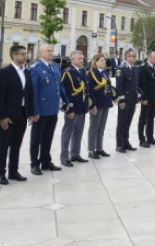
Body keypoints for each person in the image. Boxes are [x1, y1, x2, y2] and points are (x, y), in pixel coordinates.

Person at [30, 44, 70, 175]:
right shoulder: (35, 69)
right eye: (48, 51)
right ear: (41, 52)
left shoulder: (55, 66)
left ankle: (46, 161)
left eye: (52, 50)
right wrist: (34, 111)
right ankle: (34, 163)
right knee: (36, 138)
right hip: (41, 110)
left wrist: (65, 102)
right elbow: (33, 93)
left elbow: (60, 87)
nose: (50, 53)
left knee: (48, 137)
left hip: (53, 109)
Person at [0, 45, 35, 184]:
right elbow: (1, 96)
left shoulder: (26, 72)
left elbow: (29, 94)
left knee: (16, 144)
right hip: (8, 116)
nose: (25, 56)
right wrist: (2, 116)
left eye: (25, 54)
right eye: (22, 54)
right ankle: (1, 173)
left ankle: (13, 172)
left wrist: (31, 113)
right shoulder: (4, 72)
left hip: (22, 113)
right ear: (14, 56)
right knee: (3, 146)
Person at [60, 50, 95, 167]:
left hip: (82, 107)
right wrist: (68, 109)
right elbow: (64, 93)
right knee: (67, 133)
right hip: (72, 109)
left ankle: (75, 154)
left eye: (83, 58)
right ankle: (64, 157)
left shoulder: (83, 72)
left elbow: (87, 91)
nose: (82, 60)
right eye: (79, 58)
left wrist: (91, 105)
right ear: (72, 59)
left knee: (78, 133)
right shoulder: (67, 73)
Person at [87, 53, 114, 159]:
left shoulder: (105, 73)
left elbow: (108, 87)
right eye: (101, 60)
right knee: (94, 127)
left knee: (101, 128)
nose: (104, 62)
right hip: (96, 104)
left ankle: (99, 148)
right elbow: (89, 91)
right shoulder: (91, 73)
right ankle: (91, 149)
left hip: (105, 102)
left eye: (104, 60)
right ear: (96, 62)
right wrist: (91, 105)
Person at [115, 49, 141, 153]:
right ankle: (119, 144)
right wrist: (121, 101)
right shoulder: (121, 69)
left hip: (132, 100)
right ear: (127, 57)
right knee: (121, 123)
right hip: (124, 101)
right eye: (131, 56)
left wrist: (137, 97)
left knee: (128, 122)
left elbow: (135, 85)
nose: (134, 58)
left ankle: (126, 142)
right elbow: (119, 86)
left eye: (134, 56)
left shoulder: (133, 69)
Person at [137, 50, 155, 148]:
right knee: (143, 119)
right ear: (149, 58)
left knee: (151, 118)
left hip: (154, 97)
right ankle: (142, 139)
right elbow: (142, 84)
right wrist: (144, 98)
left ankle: (150, 138)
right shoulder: (143, 68)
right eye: (154, 57)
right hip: (147, 98)